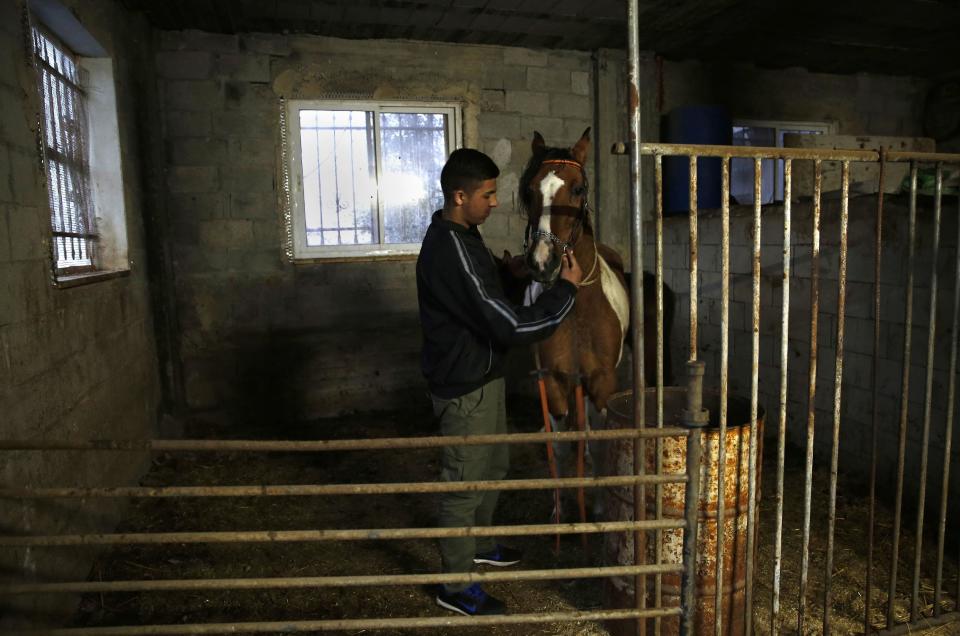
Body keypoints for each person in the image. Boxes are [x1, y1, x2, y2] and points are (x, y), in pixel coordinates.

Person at [416, 148, 583, 616]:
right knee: (464, 483)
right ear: (459, 195)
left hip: (484, 375)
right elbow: (506, 325)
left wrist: (511, 272)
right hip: (464, 383)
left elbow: (485, 287)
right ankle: (454, 585)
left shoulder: (466, 235)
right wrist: (564, 293)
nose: (494, 203)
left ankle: (482, 544)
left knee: (493, 466)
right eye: (487, 195)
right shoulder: (449, 248)